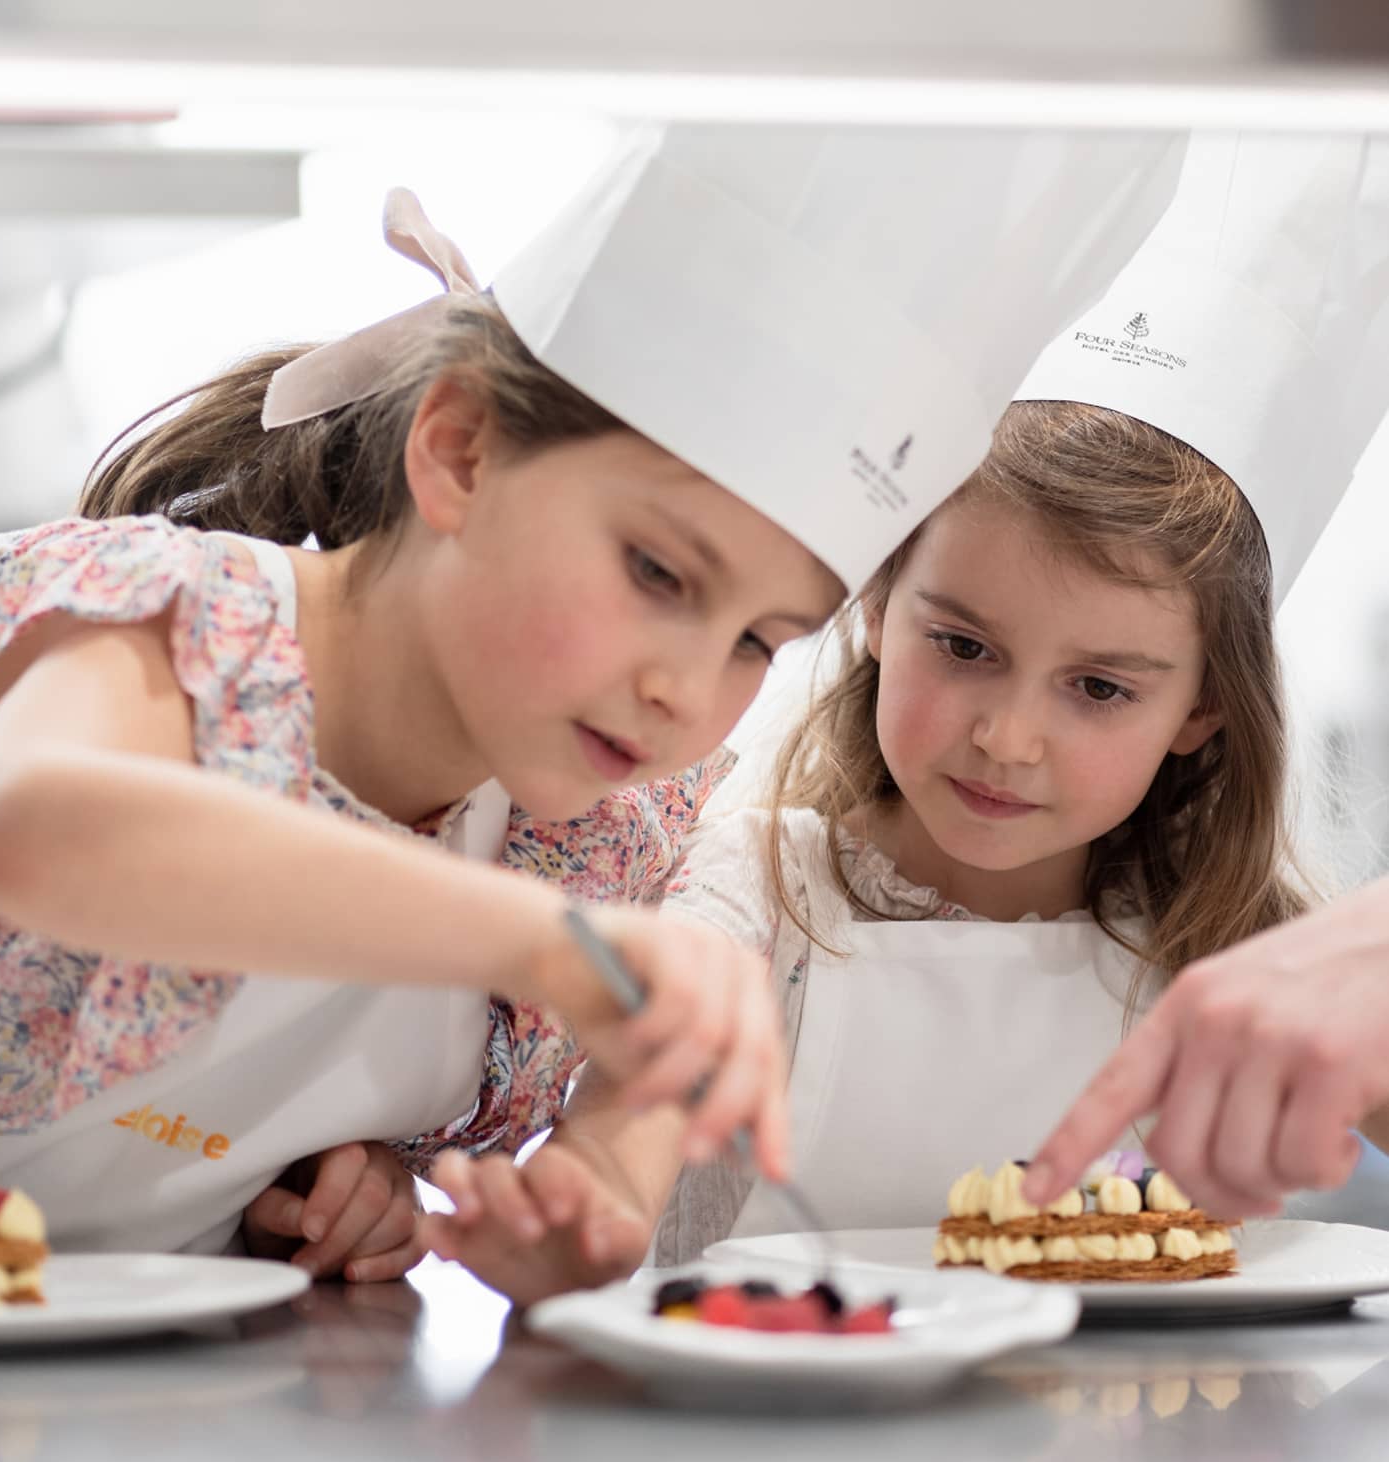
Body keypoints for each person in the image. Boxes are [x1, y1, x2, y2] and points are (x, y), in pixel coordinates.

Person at [0, 124, 1178, 1273]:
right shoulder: (161, 616)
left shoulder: (579, 835)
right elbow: (43, 832)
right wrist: (539, 942)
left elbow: (179, 1119)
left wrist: (338, 1179)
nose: (681, 687)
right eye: (657, 571)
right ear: (460, 449)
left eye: (756, 641)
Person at [422, 131, 1389, 1301]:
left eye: (1100, 688)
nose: (1007, 737)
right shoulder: (760, 886)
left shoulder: (1237, 953)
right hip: (769, 1453)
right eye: (965, 647)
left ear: (1205, 712)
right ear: (875, 603)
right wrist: (594, 1204)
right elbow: (643, 1110)